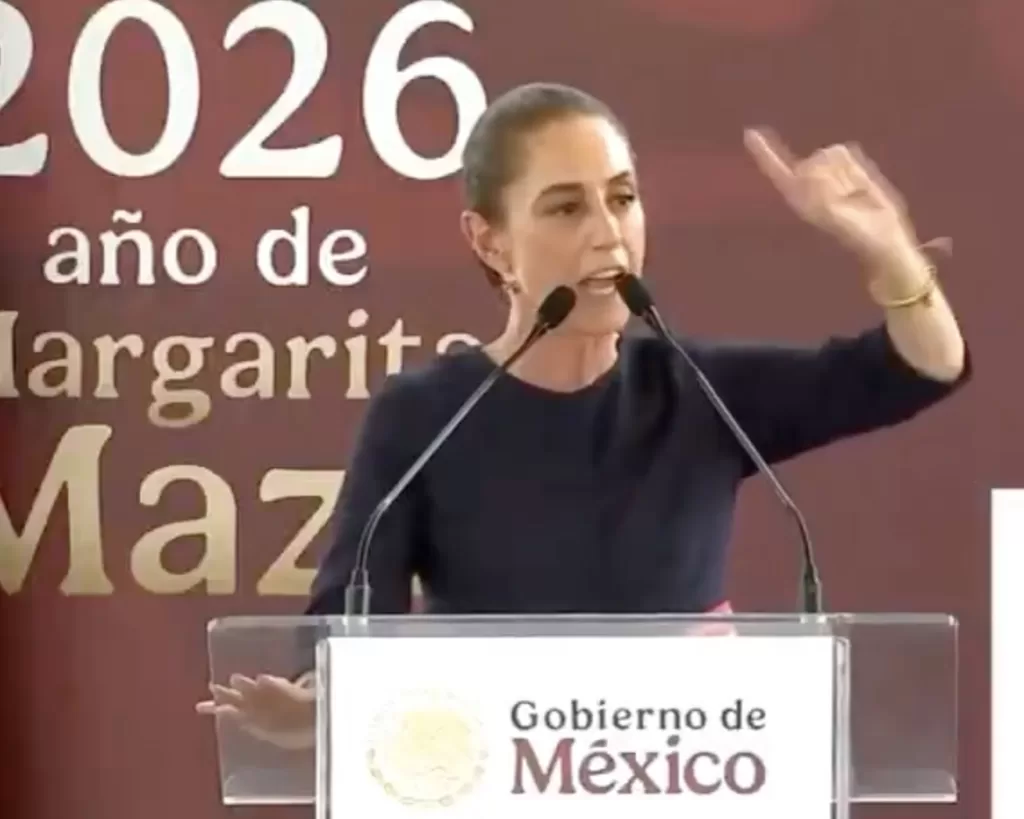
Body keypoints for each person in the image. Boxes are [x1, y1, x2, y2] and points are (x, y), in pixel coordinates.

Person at [196, 82, 969, 746]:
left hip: (693, 779)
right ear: (490, 242)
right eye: (566, 208)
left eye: (622, 199)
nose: (608, 232)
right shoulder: (424, 415)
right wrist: (319, 703)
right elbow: (349, 616)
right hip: (490, 777)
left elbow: (923, 366)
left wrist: (892, 254)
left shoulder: (696, 389)